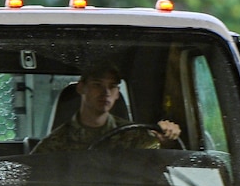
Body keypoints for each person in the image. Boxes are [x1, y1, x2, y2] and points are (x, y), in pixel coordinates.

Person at [36, 64, 178, 152]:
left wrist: (165, 140)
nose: (106, 92)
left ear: (117, 94)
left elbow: (156, 168)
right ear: (81, 88)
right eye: (97, 84)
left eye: (112, 86)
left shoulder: (134, 136)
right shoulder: (55, 144)